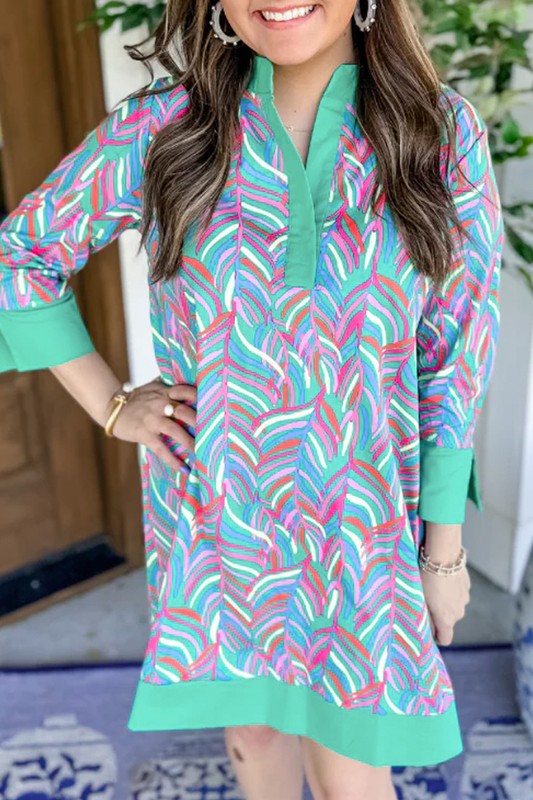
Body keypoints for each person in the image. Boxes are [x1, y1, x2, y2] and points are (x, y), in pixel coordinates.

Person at [0, 0, 503, 798]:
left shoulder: (439, 131)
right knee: (253, 732)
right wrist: (111, 404)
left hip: (363, 528)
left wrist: (442, 552)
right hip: (221, 522)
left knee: (351, 768)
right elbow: (22, 254)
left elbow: (456, 353)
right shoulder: (164, 126)